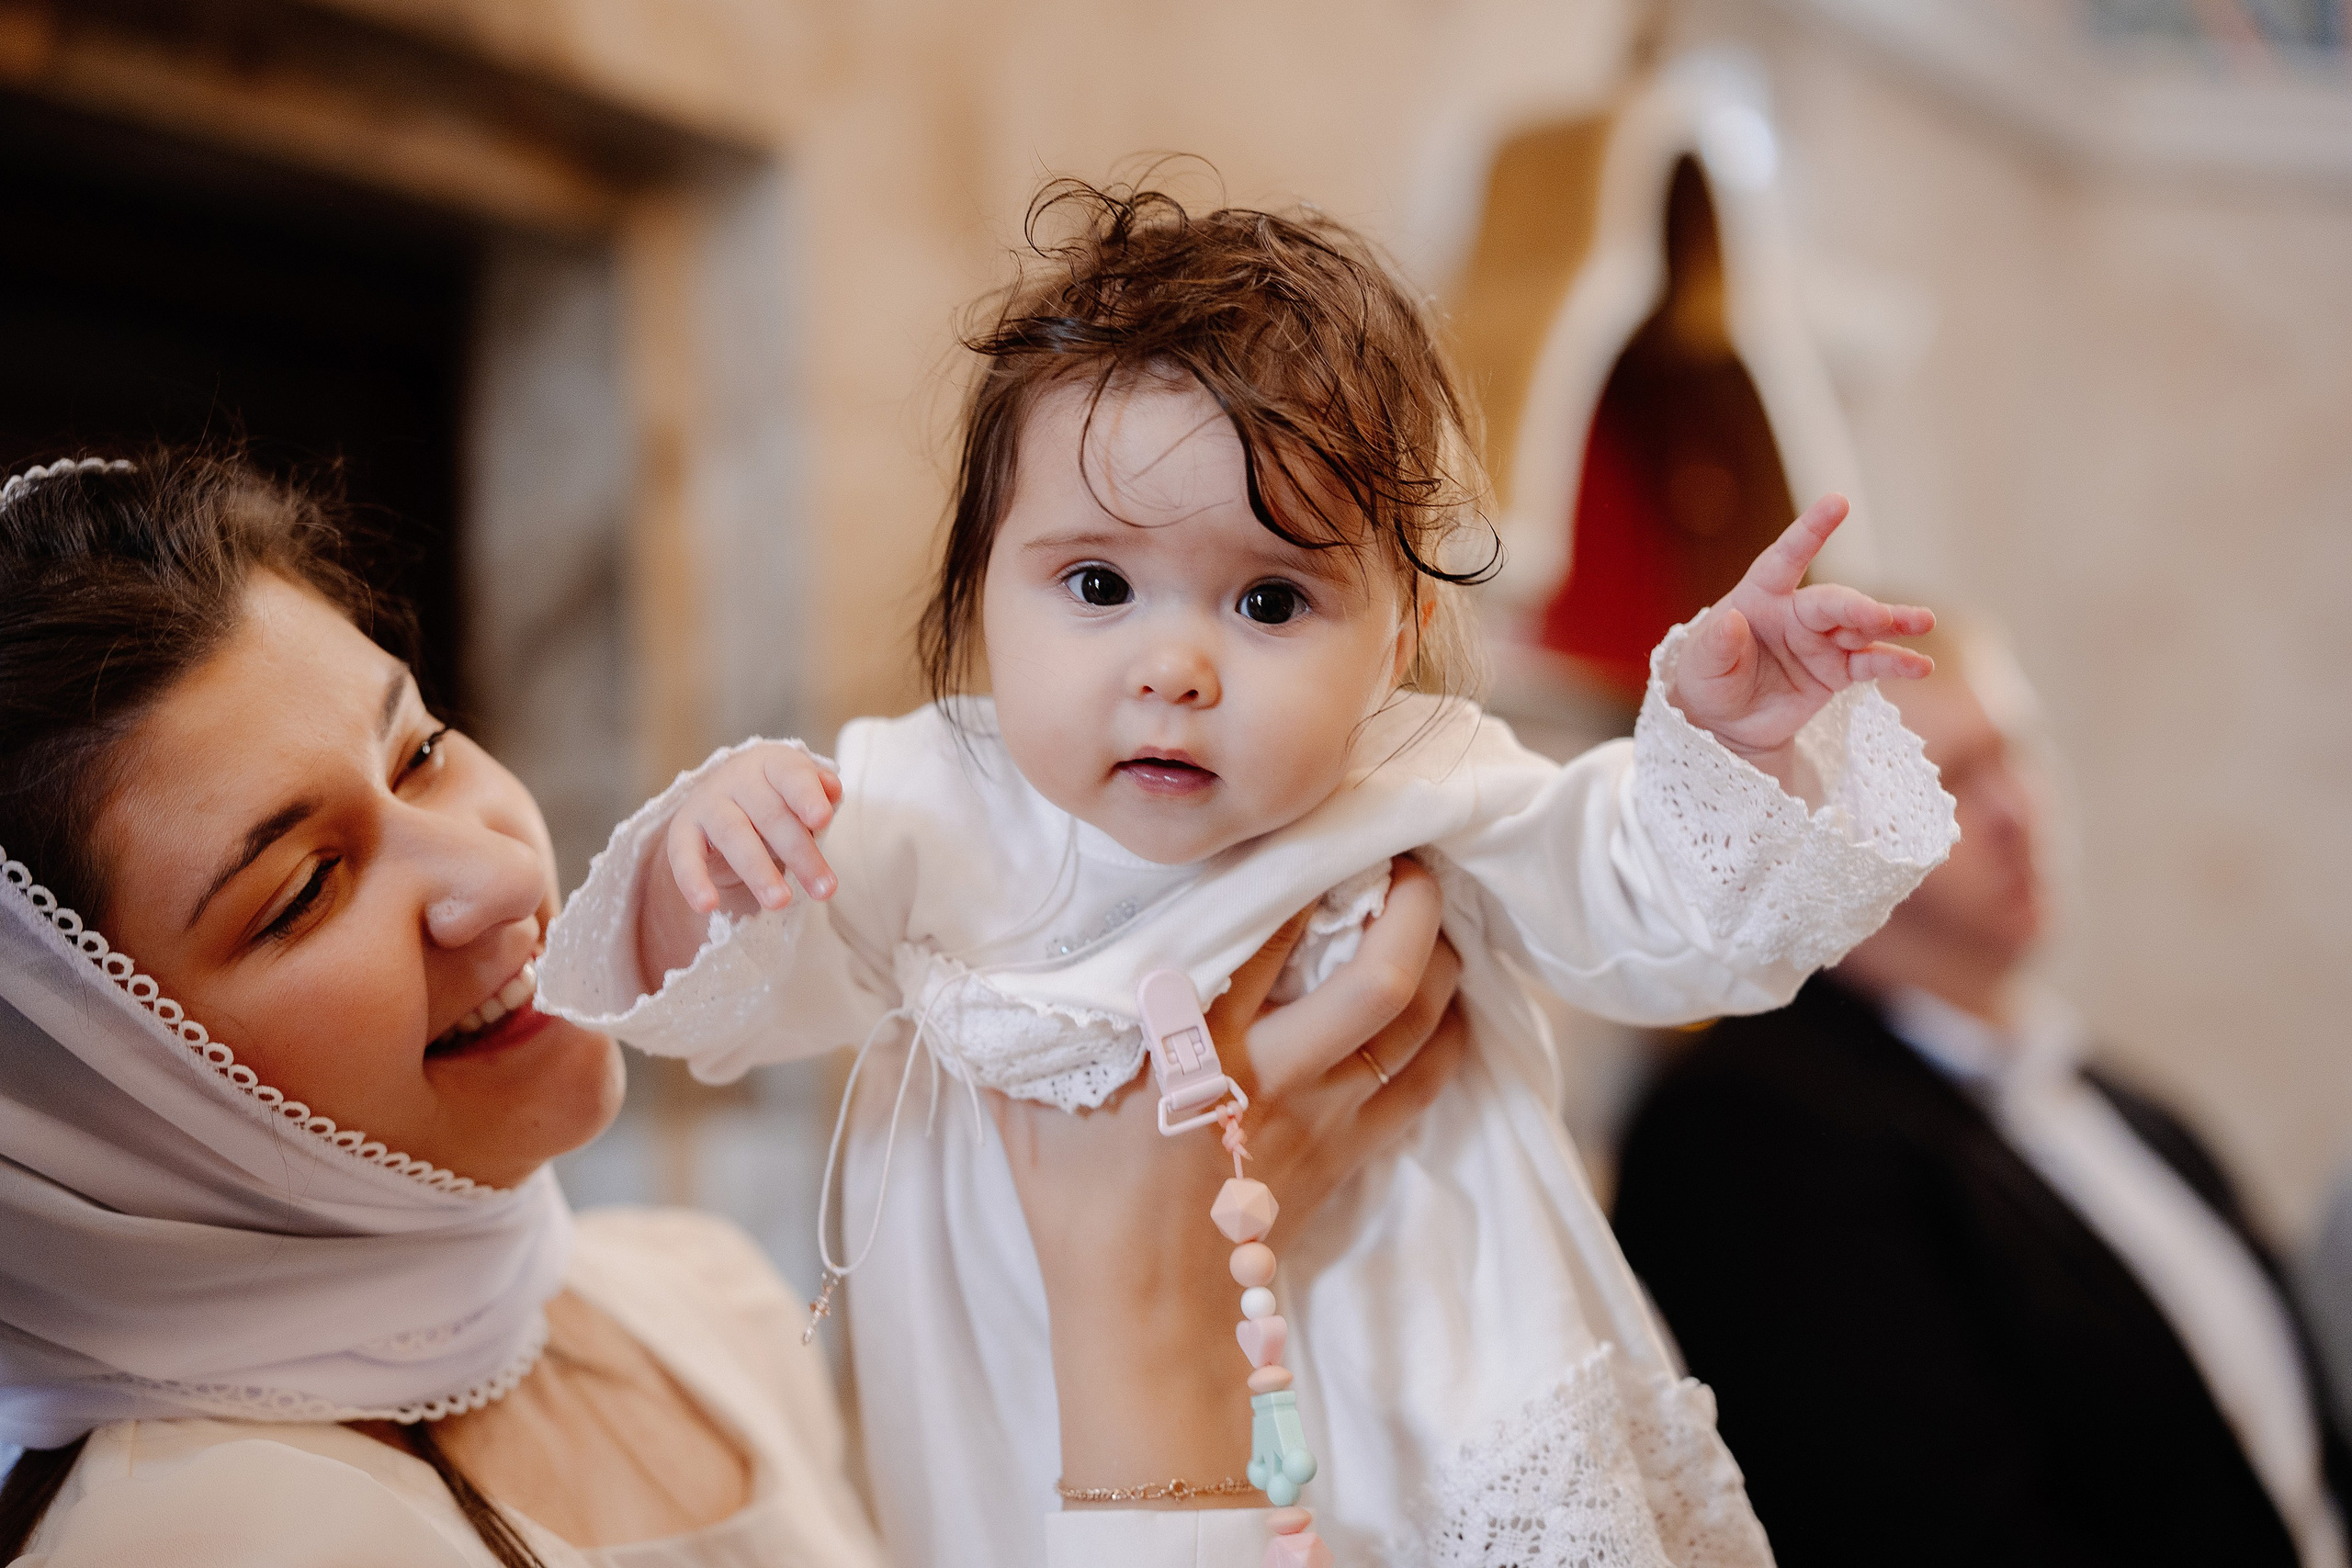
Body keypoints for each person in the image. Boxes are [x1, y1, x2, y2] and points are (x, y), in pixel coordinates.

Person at [538, 181, 1961, 1566]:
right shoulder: (927, 803)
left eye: (1270, 599)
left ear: (1393, 644)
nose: (1174, 666)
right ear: (983, 592)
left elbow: (1655, 912)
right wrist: (706, 849)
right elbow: (708, 1005)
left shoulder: (1420, 777)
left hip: (1432, 1392)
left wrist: (1722, 740)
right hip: (1053, 1430)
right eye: (1097, 584)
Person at [0, 450, 1471, 1568]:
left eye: (424, 748)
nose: (498, 876)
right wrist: (1144, 1294)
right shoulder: (216, 1527)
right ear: (85, 1103)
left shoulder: (695, 1301)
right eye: (306, 887)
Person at [1612, 614, 2352, 1568]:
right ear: (1822, 835)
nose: (2015, 808)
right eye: (1950, 779)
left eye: (2016, 754)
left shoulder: (2122, 1104)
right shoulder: (1753, 1135)